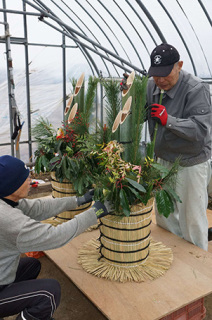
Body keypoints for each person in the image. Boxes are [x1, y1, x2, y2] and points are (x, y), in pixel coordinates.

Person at [0, 155, 111, 320]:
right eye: (25, 178)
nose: (31, 180)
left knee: (32, 265)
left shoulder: (6, 199)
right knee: (49, 292)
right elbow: (56, 236)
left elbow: (38, 208)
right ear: (12, 185)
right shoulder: (9, 220)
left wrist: (79, 200)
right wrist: (96, 212)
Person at [146, 43, 212, 251]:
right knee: (165, 218)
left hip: (190, 163)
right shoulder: (151, 85)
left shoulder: (196, 88)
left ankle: (196, 270)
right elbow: (140, 113)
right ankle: (170, 262)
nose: (160, 80)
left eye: (165, 74)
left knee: (191, 220)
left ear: (179, 65)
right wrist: (129, 96)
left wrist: (169, 120)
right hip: (162, 161)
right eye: (156, 75)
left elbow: (201, 130)